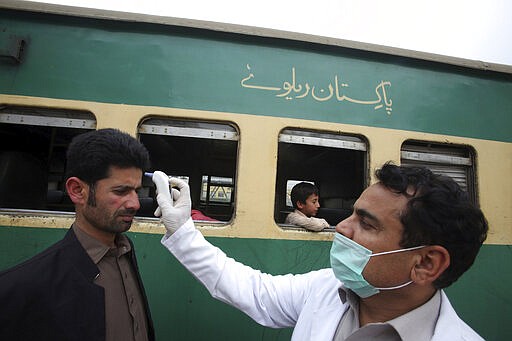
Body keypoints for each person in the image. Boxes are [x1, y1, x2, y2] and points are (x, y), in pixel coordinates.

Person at [151, 162, 488, 340]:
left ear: (427, 263)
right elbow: (253, 290)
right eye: (352, 213)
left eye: (367, 224)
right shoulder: (328, 290)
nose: (341, 227)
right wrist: (182, 231)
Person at [0, 128, 155, 341]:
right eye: (120, 191)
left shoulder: (126, 255)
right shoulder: (19, 287)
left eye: (136, 191)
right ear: (77, 190)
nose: (135, 203)